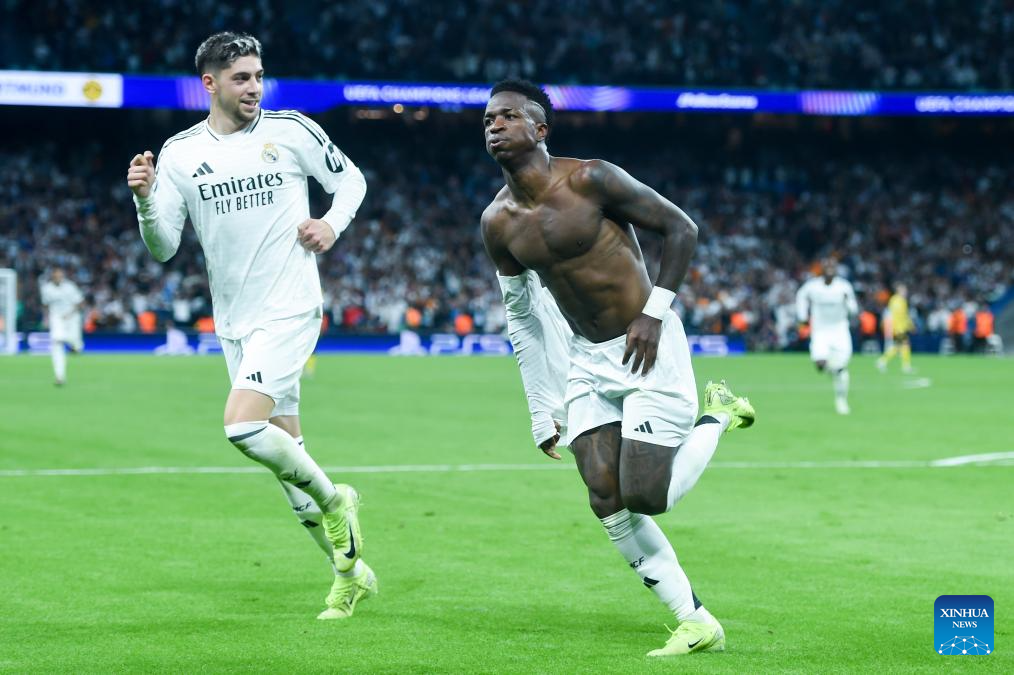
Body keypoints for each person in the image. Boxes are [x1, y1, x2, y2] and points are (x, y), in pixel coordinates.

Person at [479, 79, 755, 658]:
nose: (495, 125)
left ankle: (718, 415)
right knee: (604, 494)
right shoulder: (498, 223)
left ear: (540, 129)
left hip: (646, 347)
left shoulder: (592, 179)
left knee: (647, 496)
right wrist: (541, 408)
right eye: (488, 119)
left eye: (508, 116)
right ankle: (694, 620)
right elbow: (522, 318)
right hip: (586, 360)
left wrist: (654, 313)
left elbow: (682, 229)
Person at [126, 32, 373, 620]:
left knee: (241, 426)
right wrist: (145, 200)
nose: (255, 87)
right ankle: (350, 575)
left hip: (290, 306)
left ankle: (337, 500)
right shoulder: (181, 153)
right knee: (290, 465)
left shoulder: (291, 131)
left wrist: (332, 224)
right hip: (234, 320)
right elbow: (162, 246)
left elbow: (351, 180)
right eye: (241, 77)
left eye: (259, 75)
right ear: (209, 84)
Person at [795, 258, 858, 414]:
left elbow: (854, 309)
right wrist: (802, 316)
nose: (830, 269)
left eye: (832, 267)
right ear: (821, 269)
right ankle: (835, 371)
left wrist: (848, 304)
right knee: (820, 364)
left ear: (836, 270)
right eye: (827, 266)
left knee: (841, 368)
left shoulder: (843, 286)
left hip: (840, 330)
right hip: (820, 330)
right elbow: (801, 296)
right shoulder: (813, 286)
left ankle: (841, 400)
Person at [39, 267, 85, 386]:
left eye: (60, 276)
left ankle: (76, 346)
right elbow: (45, 304)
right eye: (56, 276)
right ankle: (59, 376)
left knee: (74, 343)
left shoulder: (70, 287)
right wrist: (45, 318)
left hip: (72, 317)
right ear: (52, 276)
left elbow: (80, 303)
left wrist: (69, 314)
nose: (58, 278)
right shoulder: (47, 289)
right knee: (56, 343)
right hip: (56, 318)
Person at [877, 283, 913, 373]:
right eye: (904, 290)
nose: (905, 292)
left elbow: (903, 315)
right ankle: (905, 366)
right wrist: (906, 325)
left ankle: (883, 361)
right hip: (898, 327)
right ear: (899, 291)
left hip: (899, 327)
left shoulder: (897, 300)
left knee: (900, 346)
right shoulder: (898, 300)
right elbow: (899, 315)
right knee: (903, 345)